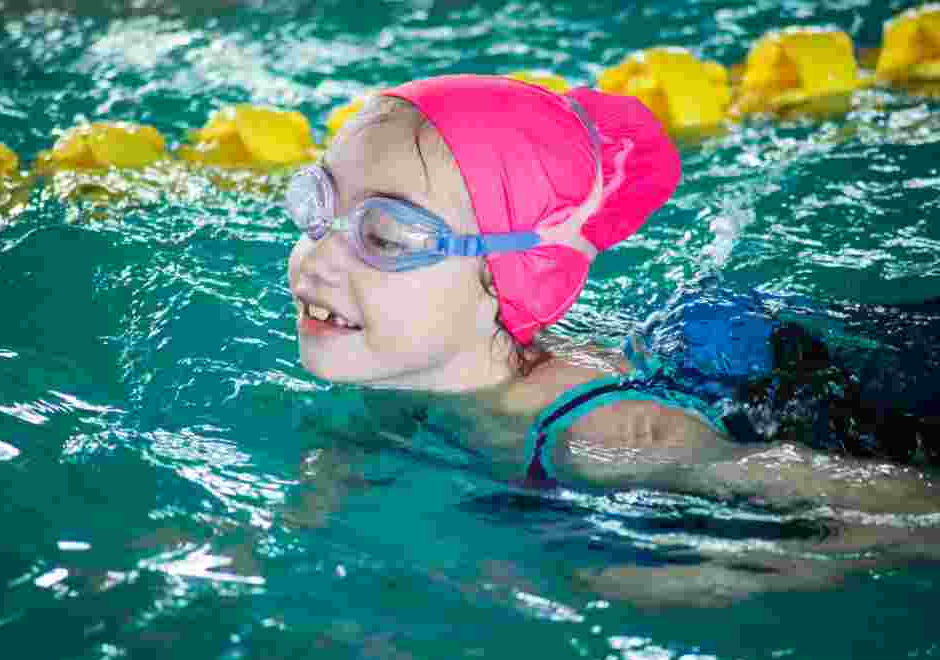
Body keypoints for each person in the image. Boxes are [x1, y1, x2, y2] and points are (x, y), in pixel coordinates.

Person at [283, 74, 939, 604]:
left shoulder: (608, 437)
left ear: (507, 277)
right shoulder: (417, 368)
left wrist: (722, 572)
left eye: (384, 236)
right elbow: (362, 444)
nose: (314, 259)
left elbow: (913, 509)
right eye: (317, 203)